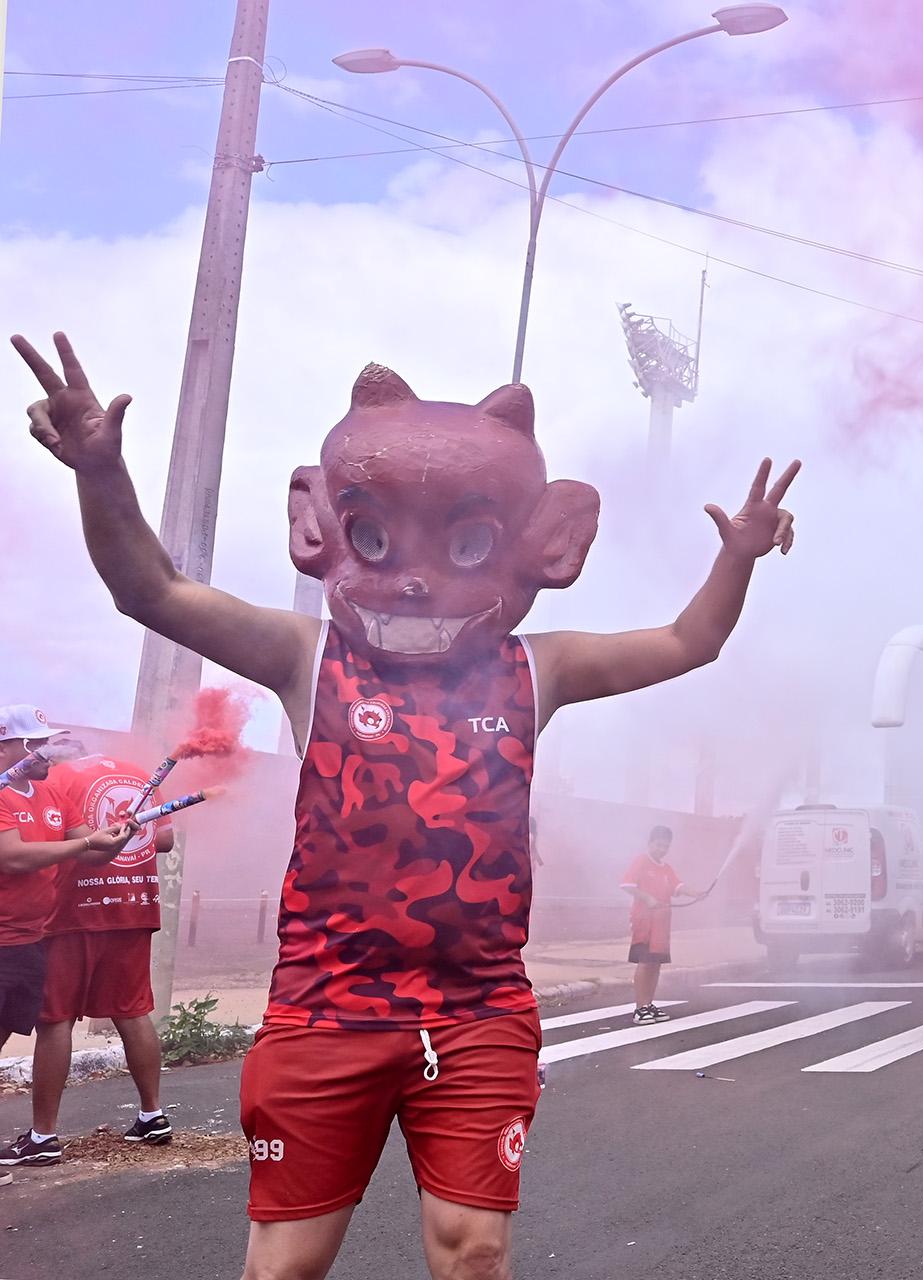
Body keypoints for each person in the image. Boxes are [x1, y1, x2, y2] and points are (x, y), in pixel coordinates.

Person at [14, 332, 797, 1280]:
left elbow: (685, 641)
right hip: (325, 1010)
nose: (418, 577)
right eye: (378, 539)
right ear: (322, 530)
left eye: (467, 542)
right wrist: (101, 474)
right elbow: (152, 588)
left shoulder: (536, 669)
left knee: (473, 1254)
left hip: (477, 1016)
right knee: (284, 1267)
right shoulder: (308, 657)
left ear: (544, 545)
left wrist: (740, 560)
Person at [0, 707, 137, 1167]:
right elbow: (13, 858)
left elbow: (92, 853)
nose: (46, 751)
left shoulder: (51, 790)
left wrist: (118, 839)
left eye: (48, 741)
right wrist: (85, 844)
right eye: (34, 744)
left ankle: (37, 1139)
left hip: (29, 938)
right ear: (9, 747)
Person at [29, 744, 179, 1159]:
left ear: (54, 758)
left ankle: (43, 1136)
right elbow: (163, 838)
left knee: (55, 1018)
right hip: (133, 904)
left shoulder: (56, 781)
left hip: (71, 911)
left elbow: (42, 839)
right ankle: (153, 1114)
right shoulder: (136, 772)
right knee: (132, 1010)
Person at [621, 826, 694, 1024]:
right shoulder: (641, 861)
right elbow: (627, 885)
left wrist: (697, 893)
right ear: (650, 843)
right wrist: (647, 898)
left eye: (666, 846)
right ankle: (639, 1008)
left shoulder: (665, 868)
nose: (662, 849)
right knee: (645, 963)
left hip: (662, 925)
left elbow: (678, 886)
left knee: (655, 964)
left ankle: (649, 1003)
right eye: (659, 845)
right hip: (644, 923)